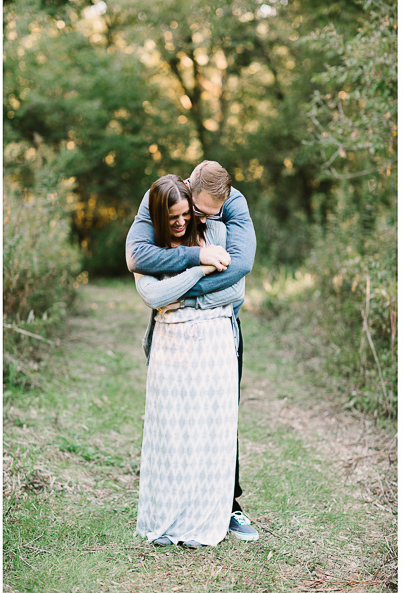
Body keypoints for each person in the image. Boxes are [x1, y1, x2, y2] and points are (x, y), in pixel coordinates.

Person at [126, 161, 259, 542]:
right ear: (187, 189)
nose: (199, 219)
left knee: (219, 420)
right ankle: (176, 503)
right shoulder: (160, 201)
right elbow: (138, 259)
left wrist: (184, 297)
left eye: (209, 213)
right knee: (175, 421)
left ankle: (228, 504)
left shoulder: (232, 205)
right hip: (171, 336)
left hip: (222, 330)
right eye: (197, 212)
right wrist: (198, 261)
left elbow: (240, 270)